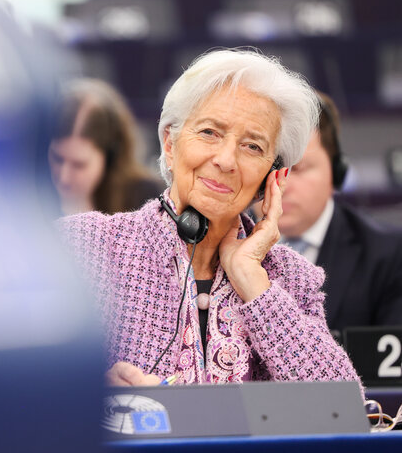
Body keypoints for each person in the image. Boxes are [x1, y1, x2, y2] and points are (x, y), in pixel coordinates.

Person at [57, 49, 361, 387]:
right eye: (209, 133)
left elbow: (342, 408)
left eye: (253, 147)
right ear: (170, 145)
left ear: (271, 178)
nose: (226, 159)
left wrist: (253, 282)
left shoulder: (289, 278)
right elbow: (29, 391)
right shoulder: (85, 246)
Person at [277, 91, 402, 332]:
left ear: (336, 172)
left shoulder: (390, 255)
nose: (282, 185)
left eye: (299, 169)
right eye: (273, 168)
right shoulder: (219, 249)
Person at [48, 78, 162, 215]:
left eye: (79, 165)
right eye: (57, 159)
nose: (63, 177)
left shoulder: (145, 200)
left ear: (110, 157)